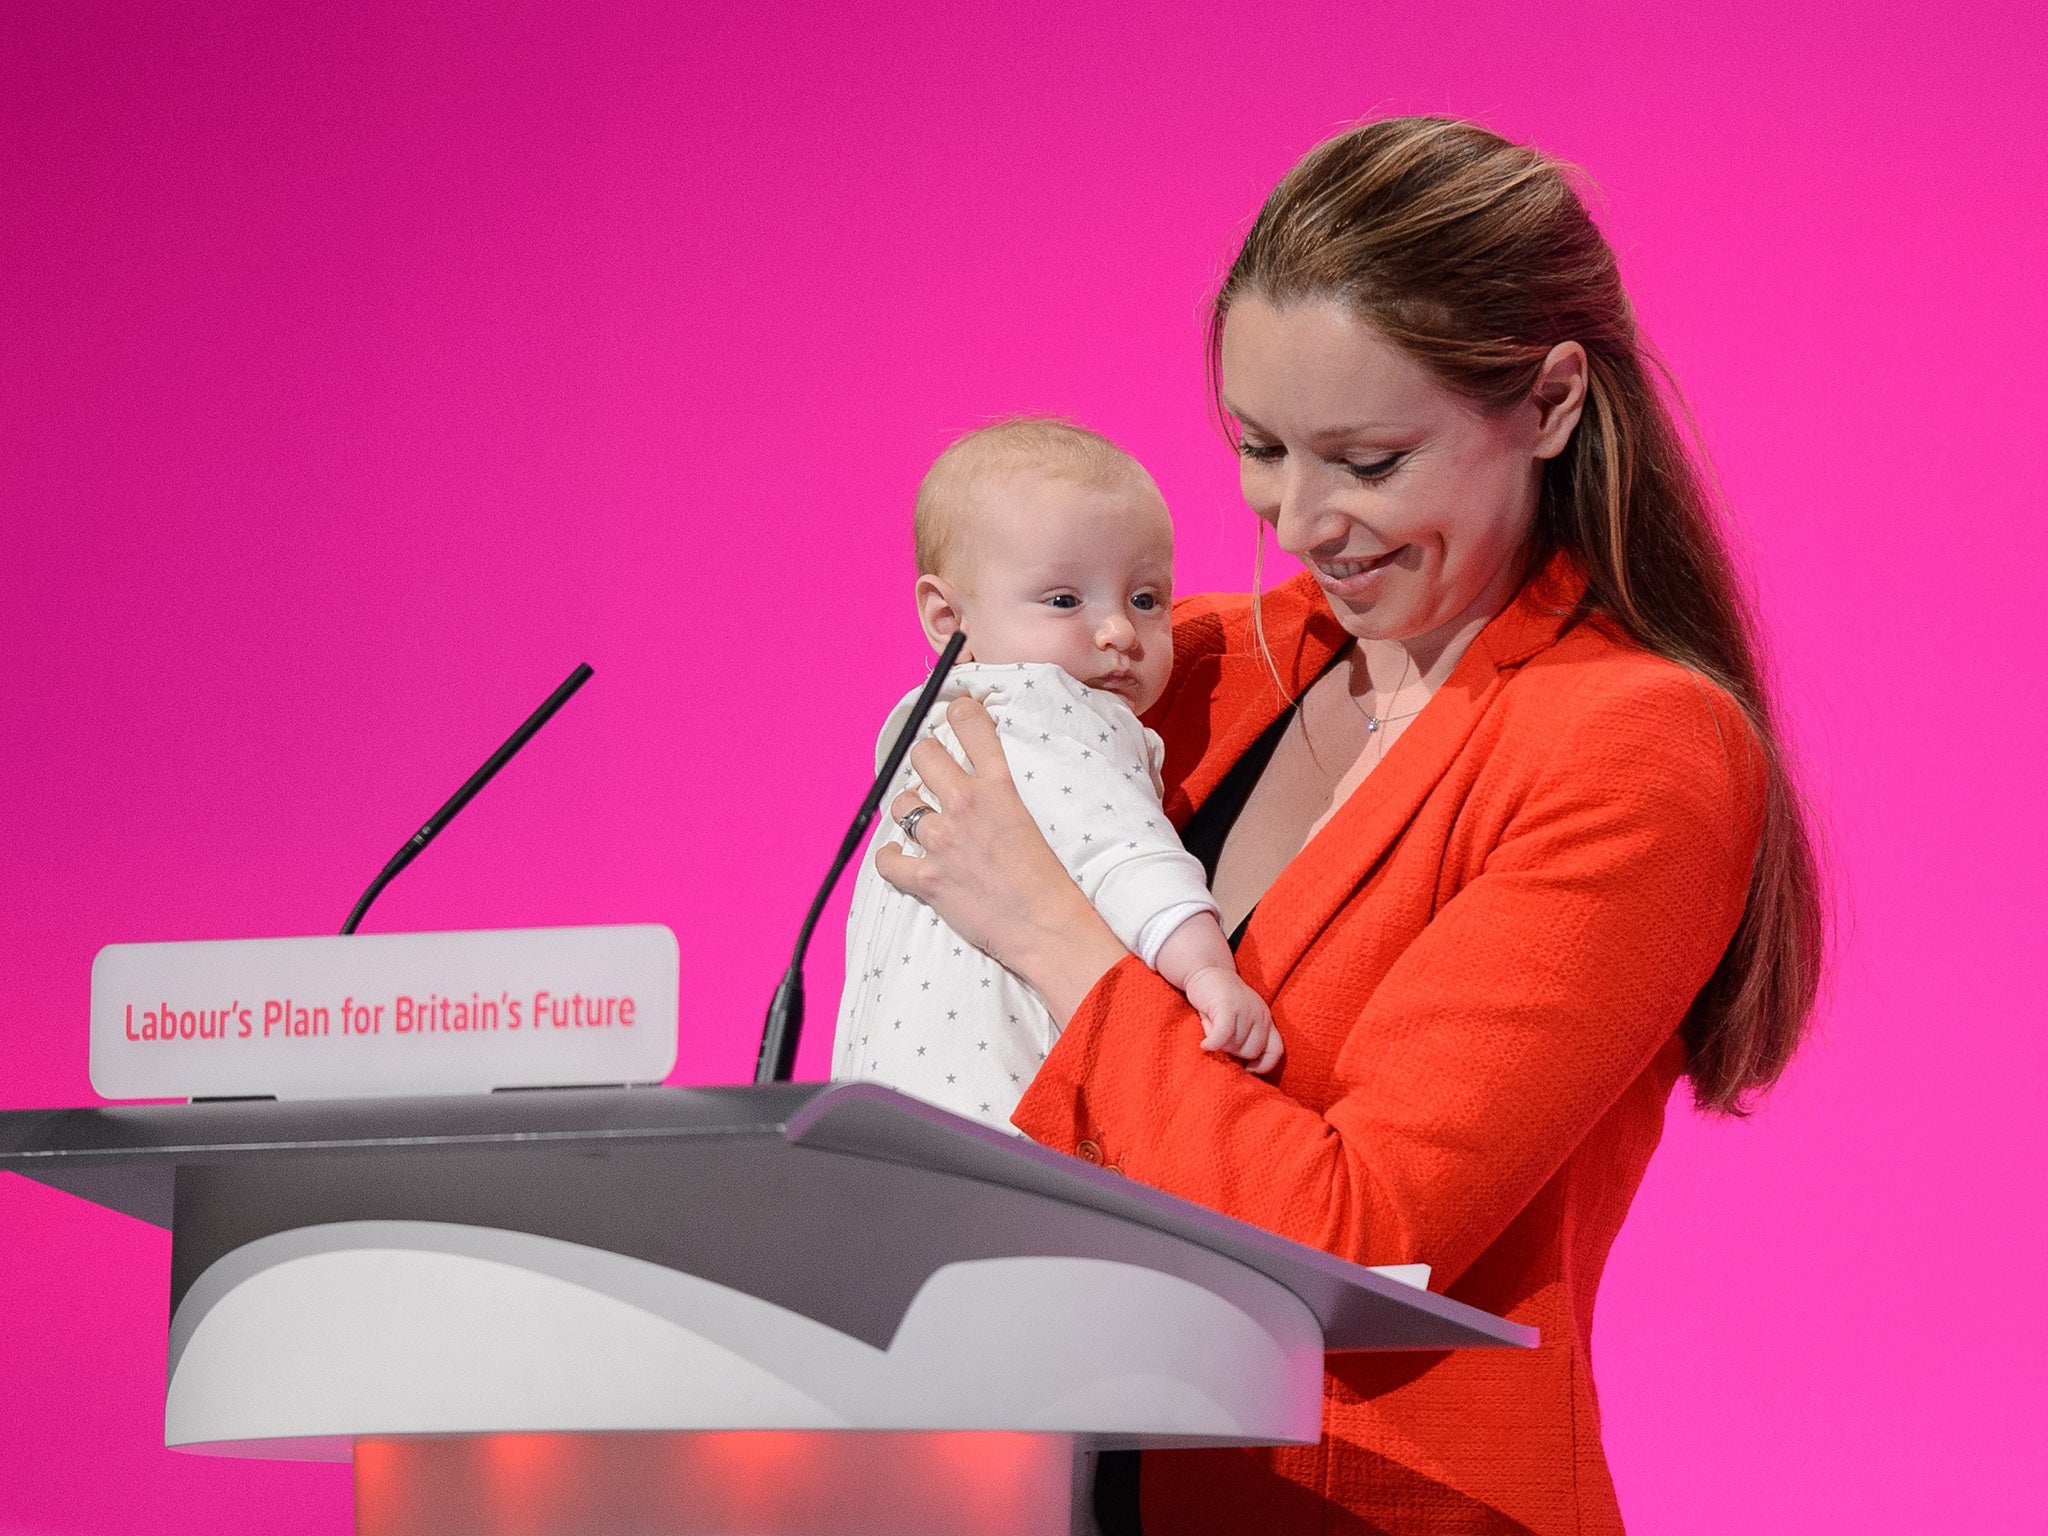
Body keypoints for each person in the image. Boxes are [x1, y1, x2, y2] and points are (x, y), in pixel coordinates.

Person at [873, 116, 1823, 1535]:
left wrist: (1062, 943)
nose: (1302, 518)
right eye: (1259, 449)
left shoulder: (1634, 747)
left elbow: (1362, 1239)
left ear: (1554, 402)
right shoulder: (1179, 662)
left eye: (1370, 462)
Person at [834, 418, 1280, 1135]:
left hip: (886, 1106)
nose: (1119, 634)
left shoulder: (924, 735)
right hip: (1006, 1107)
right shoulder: (1061, 711)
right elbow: (1129, 854)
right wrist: (1208, 972)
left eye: (1146, 599)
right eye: (1066, 601)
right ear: (949, 616)